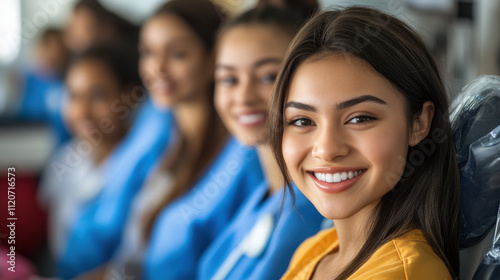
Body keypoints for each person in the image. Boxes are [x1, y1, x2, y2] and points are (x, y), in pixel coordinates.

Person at [268, 6, 461, 279]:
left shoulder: (403, 273)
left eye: (359, 118)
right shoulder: (316, 250)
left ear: (419, 123)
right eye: (302, 121)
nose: (327, 149)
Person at [92, 1, 264, 279]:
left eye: (178, 53)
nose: (157, 67)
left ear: (213, 60)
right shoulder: (164, 139)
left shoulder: (242, 158)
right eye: (148, 52)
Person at [197, 6, 324, 280]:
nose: (243, 96)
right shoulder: (265, 195)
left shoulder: (313, 212)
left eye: (268, 77)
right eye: (229, 79)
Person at [39, 42, 141, 272]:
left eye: (98, 95)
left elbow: (134, 264)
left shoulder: (140, 168)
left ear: (129, 97)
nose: (82, 111)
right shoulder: (65, 159)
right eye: (73, 96)